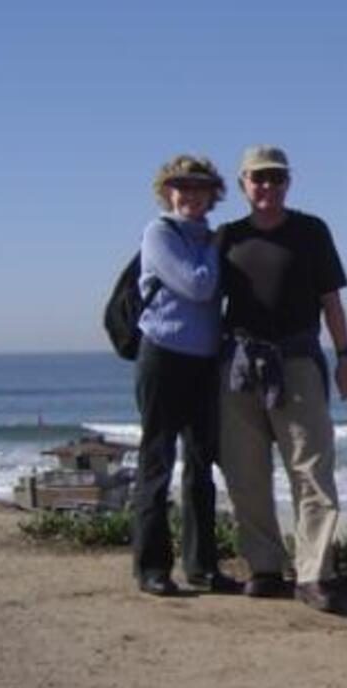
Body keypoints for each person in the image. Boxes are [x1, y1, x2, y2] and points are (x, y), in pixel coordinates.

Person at [217, 144, 347, 611]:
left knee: (311, 470)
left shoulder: (311, 231)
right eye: (258, 178)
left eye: (276, 177)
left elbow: (331, 301)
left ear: (288, 183)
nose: (268, 186)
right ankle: (264, 567)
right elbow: (203, 302)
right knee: (246, 472)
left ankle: (313, 573)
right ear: (243, 183)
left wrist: (345, 357)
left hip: (297, 361)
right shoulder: (227, 237)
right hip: (239, 366)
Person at [133, 154, 238, 596]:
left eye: (200, 187)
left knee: (200, 464)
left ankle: (202, 566)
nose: (190, 195)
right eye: (182, 186)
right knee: (156, 461)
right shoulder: (159, 233)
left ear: (213, 194)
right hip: (163, 355)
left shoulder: (211, 238)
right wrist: (216, 249)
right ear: (167, 191)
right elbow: (198, 285)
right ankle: (151, 567)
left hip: (203, 360)